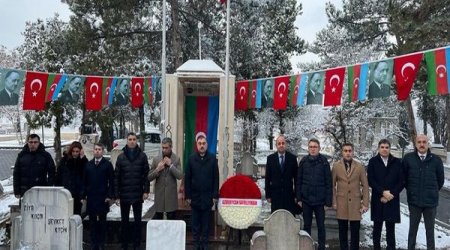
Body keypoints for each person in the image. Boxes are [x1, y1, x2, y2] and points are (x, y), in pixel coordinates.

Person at [402, 134, 444, 250]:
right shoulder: (408, 159)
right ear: (416, 144)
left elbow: (440, 181)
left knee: (430, 232)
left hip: (430, 203)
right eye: (419, 142)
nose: (421, 144)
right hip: (414, 202)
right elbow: (404, 178)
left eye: (424, 142)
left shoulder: (436, 160)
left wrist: (432, 192)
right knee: (412, 231)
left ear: (428, 144)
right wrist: (411, 191)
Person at [114, 132, 150, 250]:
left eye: (134, 139)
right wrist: (117, 195)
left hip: (137, 194)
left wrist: (146, 191)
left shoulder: (142, 156)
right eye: (130, 139)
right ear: (127, 141)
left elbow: (146, 176)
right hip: (124, 194)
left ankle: (137, 245)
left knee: (137, 221)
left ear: (137, 141)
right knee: (124, 221)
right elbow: (117, 178)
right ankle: (124, 245)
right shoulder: (121, 157)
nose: (132, 141)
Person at [367, 139, 403, 250]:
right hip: (378, 199)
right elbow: (371, 180)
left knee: (390, 229)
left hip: (392, 199)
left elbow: (401, 181)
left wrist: (390, 194)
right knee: (377, 228)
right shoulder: (373, 161)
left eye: (386, 147)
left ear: (389, 148)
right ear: (378, 148)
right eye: (382, 147)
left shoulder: (397, 162)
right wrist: (382, 192)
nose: (384, 149)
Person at [332, 143, 369, 250]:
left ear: (353, 152)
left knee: (355, 233)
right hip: (341, 203)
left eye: (350, 151)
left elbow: (365, 186)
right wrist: (334, 202)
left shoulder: (359, 167)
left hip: (355, 205)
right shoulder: (336, 166)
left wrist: (365, 203)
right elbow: (332, 185)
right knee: (342, 232)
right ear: (342, 152)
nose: (348, 153)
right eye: (345, 151)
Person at [185, 132, 219, 250]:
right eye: (199, 143)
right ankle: (196, 243)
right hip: (194, 196)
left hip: (208, 196)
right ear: (196, 145)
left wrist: (215, 195)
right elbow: (187, 179)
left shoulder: (213, 159)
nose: (202, 145)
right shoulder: (191, 159)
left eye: (204, 143)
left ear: (207, 144)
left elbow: (216, 178)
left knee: (206, 223)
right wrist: (188, 196)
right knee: (195, 223)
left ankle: (205, 243)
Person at [296, 138, 332, 250]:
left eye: (315, 147)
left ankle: (321, 247)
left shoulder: (324, 162)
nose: (313, 149)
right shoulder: (303, 162)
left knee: (321, 226)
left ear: (319, 148)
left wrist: (328, 201)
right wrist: (299, 199)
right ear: (308, 148)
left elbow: (328, 182)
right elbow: (299, 181)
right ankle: (307, 246)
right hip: (306, 200)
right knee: (307, 226)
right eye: (311, 147)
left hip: (320, 201)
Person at [81, 143, 114, 250]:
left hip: (103, 198)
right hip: (91, 198)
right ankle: (93, 245)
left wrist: (109, 195)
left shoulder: (107, 165)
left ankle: (102, 244)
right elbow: (84, 182)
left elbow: (112, 181)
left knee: (102, 223)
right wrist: (83, 195)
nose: (97, 151)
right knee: (92, 223)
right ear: (93, 151)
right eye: (95, 149)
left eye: (99, 149)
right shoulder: (89, 165)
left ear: (103, 151)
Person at [148, 137, 183, 220]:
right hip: (159, 197)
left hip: (171, 198)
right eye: (163, 148)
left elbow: (180, 176)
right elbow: (149, 177)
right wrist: (157, 169)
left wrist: (171, 165)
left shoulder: (176, 159)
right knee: (158, 223)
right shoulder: (156, 159)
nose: (164, 150)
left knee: (171, 222)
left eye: (166, 148)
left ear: (171, 147)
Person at [13, 134, 55, 198]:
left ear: (39, 143)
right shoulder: (22, 155)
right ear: (28, 142)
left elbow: (52, 172)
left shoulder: (45, 156)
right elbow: (16, 173)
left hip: (41, 190)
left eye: (35, 142)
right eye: (31, 142)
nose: (33, 144)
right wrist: (16, 190)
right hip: (25, 191)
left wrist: (48, 188)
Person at [265, 135, 299, 215]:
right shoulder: (270, 159)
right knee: (276, 219)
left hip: (289, 196)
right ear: (276, 145)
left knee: (289, 219)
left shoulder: (292, 158)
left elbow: (296, 178)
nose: (281, 145)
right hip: (275, 196)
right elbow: (267, 178)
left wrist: (297, 195)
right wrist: (268, 195)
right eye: (279, 143)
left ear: (286, 144)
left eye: (283, 143)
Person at [56, 141, 88, 216]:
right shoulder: (64, 161)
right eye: (73, 151)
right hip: (66, 191)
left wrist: (83, 158)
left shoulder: (82, 161)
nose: (75, 153)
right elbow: (59, 176)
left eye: (77, 151)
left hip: (78, 193)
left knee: (77, 215)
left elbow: (86, 173)